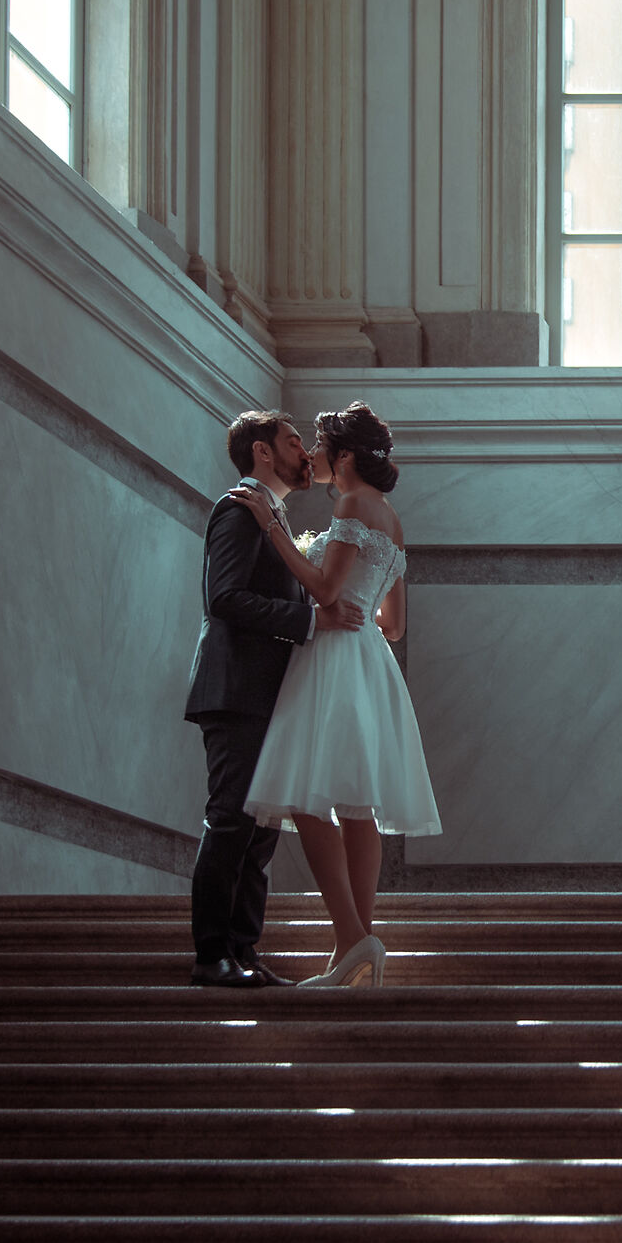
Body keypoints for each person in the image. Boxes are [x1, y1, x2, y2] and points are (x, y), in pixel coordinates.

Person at [226, 403, 438, 987]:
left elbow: (321, 587)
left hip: (334, 658)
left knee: (306, 796)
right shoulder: (391, 517)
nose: (310, 457)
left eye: (316, 446)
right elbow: (393, 624)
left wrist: (273, 529)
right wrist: (357, 607)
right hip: (369, 657)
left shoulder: (351, 503)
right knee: (355, 804)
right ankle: (356, 945)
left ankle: (352, 935)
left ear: (342, 456)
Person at [181, 411, 365, 988]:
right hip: (235, 691)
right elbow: (225, 599)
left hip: (268, 695)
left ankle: (244, 952)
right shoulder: (238, 510)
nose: (305, 454)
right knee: (232, 819)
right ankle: (212, 955)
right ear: (263, 453)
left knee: (259, 831)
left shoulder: (274, 519)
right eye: (293, 442)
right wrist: (312, 618)